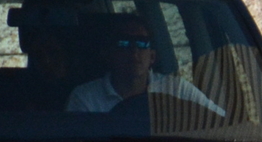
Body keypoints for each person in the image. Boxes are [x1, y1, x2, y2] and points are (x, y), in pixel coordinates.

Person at [65, 14, 221, 113]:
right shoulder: (85, 99)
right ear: (107, 54)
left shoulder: (176, 89)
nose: (134, 51)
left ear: (152, 56)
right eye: (124, 43)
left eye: (142, 43)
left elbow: (222, 125)